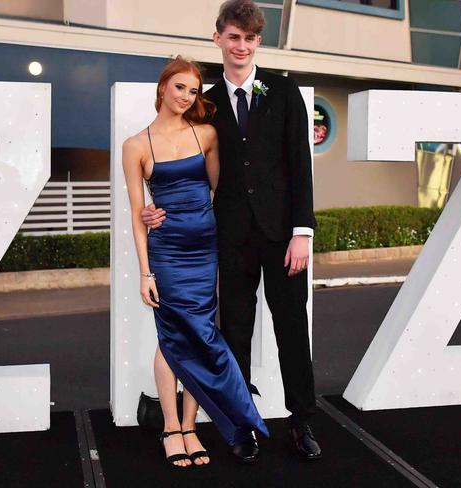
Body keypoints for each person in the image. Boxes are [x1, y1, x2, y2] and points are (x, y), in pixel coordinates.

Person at [142, 0, 322, 462]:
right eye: (233, 37)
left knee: (292, 327)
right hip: (229, 235)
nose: (241, 46)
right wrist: (156, 207)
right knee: (234, 332)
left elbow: (300, 166)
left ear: (258, 41)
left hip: (284, 237)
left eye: (250, 38)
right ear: (218, 38)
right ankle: (243, 424)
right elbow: (183, 160)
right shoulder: (204, 101)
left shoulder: (284, 92)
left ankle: (303, 421)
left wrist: (303, 231)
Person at [122, 55, 268, 469]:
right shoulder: (135, 145)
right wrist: (145, 271)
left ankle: (191, 427)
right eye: (180, 87)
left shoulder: (206, 134)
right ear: (162, 88)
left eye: (193, 90)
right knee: (172, 337)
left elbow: (218, 191)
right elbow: (138, 214)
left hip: (205, 250)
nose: (187, 96)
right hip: (166, 253)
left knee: (201, 335)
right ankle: (171, 427)